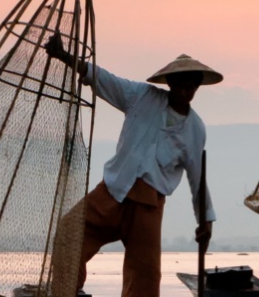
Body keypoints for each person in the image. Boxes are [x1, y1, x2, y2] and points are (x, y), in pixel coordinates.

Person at [44, 36, 218, 297]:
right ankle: (69, 291)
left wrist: (205, 221)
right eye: (182, 83)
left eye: (192, 84)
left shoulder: (195, 128)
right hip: (113, 192)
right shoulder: (141, 96)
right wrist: (64, 56)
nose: (187, 89)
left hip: (148, 207)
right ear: (170, 83)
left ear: (197, 86)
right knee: (68, 233)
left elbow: (197, 180)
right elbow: (102, 79)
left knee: (145, 278)